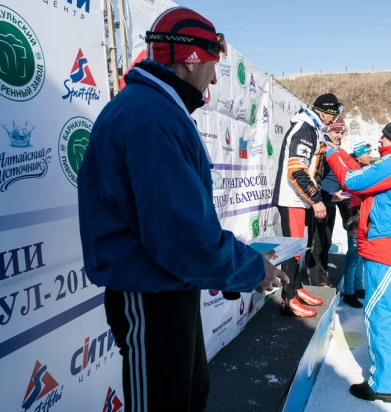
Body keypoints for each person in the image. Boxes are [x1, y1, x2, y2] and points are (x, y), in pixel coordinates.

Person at [77, 8, 288, 412]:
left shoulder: (160, 110)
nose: (213, 77)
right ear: (190, 59)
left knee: (190, 394)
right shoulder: (149, 117)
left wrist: (240, 269)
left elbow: (183, 224)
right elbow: (181, 234)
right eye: (212, 64)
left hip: (171, 285)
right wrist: (251, 269)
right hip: (150, 291)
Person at [326, 117, 391, 403]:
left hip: (385, 248)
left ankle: (382, 383)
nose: (379, 142)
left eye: (383, 138)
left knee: (379, 313)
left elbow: (352, 179)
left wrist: (332, 151)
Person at [272, 93, 343, 317]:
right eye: (334, 115)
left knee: (301, 249)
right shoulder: (304, 129)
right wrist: (316, 199)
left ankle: (298, 288)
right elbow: (296, 170)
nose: (335, 121)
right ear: (324, 112)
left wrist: (322, 198)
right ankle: (288, 299)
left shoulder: (313, 128)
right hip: (293, 199)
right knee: (292, 252)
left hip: (303, 199)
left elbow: (313, 171)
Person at [309, 116, 350, 287]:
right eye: (336, 131)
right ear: (327, 130)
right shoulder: (323, 149)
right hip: (320, 204)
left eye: (342, 132)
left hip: (331, 205)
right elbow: (313, 179)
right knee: (317, 245)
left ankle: (323, 278)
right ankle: (317, 282)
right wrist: (327, 197)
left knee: (326, 243)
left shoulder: (335, 149)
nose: (339, 135)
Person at [339, 141, 372, 309]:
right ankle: (349, 292)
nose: (370, 156)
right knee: (353, 257)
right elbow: (346, 201)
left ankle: (358, 288)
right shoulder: (351, 172)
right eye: (367, 153)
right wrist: (351, 224)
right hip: (354, 223)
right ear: (358, 155)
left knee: (360, 256)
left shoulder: (362, 170)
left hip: (362, 221)